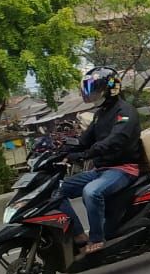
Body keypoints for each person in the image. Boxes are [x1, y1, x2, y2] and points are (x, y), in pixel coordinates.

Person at [58, 68, 142, 256]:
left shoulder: (125, 111)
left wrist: (86, 154)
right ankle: (79, 235)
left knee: (91, 192)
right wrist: (61, 151)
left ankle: (97, 238)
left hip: (123, 169)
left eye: (96, 90)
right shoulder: (100, 114)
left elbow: (115, 139)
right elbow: (84, 140)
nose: (93, 94)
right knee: (56, 190)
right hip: (101, 169)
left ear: (110, 88)